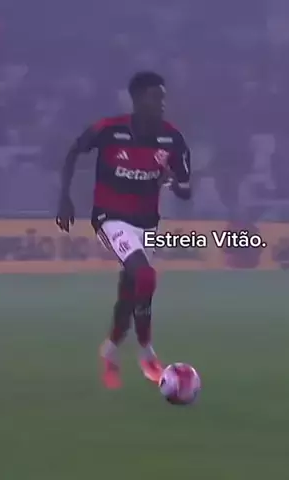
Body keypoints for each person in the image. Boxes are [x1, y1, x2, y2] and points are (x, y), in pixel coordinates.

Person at [56, 71, 192, 389]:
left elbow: (186, 189)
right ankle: (147, 354)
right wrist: (64, 198)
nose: (161, 103)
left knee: (130, 294)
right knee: (145, 275)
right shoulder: (109, 129)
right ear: (137, 99)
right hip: (110, 217)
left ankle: (110, 350)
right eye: (155, 97)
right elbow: (73, 151)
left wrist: (172, 182)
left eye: (163, 98)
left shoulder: (173, 139)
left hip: (147, 222)